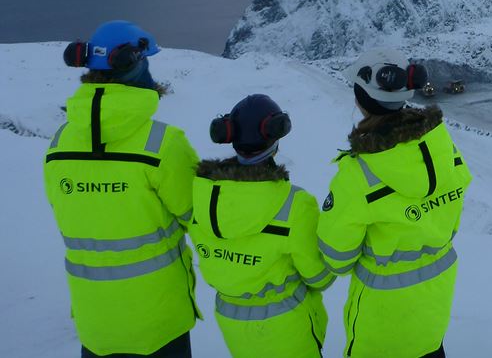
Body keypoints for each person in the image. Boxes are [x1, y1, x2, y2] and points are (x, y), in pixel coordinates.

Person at [44, 20, 200, 358]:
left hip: (94, 322)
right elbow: (197, 216)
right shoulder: (164, 144)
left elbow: (67, 213)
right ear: (134, 63)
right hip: (161, 322)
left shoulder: (59, 144)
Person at [318, 50, 472, 358]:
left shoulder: (358, 172)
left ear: (362, 99)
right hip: (432, 319)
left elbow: (336, 258)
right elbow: (450, 218)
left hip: (380, 332)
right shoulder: (443, 147)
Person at [188, 93, 332, 357]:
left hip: (233, 330)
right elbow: (319, 276)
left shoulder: (199, 197)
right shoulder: (294, 205)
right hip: (290, 332)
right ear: (275, 136)